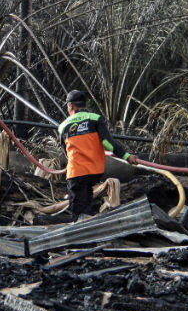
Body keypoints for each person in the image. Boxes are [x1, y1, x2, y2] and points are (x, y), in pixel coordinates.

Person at [58, 90, 138, 219]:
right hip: (95, 171)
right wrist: (126, 156)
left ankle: (80, 232)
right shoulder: (95, 118)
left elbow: (65, 152)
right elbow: (107, 142)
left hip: (76, 172)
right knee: (87, 201)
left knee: (78, 210)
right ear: (85, 104)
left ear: (70, 105)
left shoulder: (63, 126)